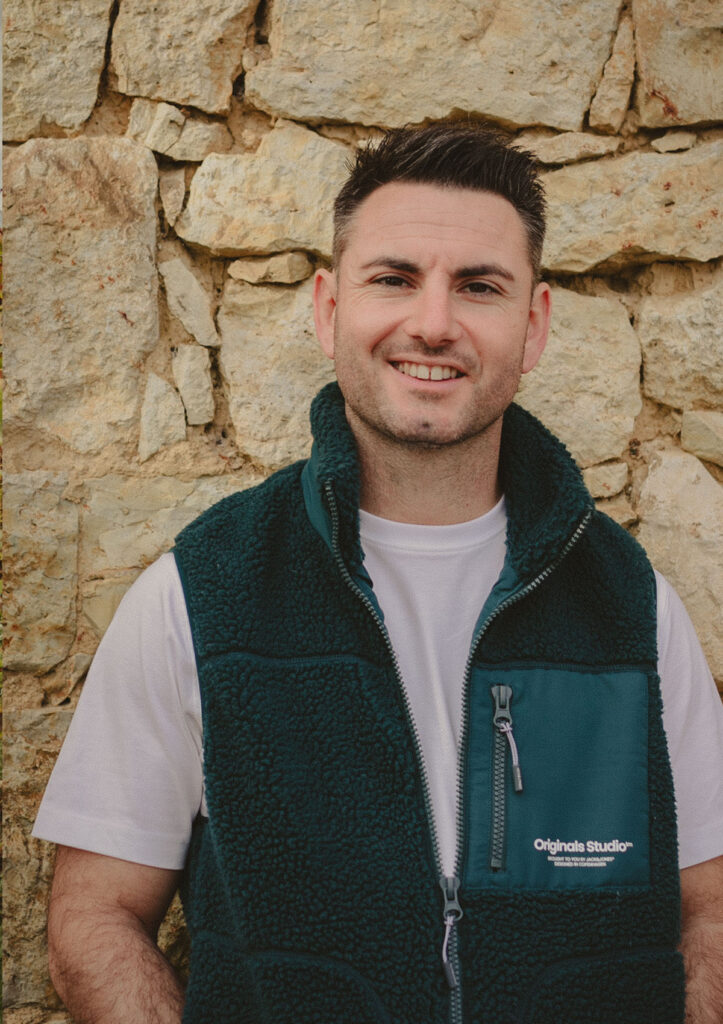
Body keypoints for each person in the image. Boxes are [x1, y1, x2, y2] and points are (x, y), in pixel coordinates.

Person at [34, 122, 723, 1024]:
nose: (432, 322)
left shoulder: (628, 606)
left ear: (533, 326)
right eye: (393, 279)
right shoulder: (200, 595)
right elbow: (93, 919)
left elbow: (711, 908)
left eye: (479, 286)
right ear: (328, 310)